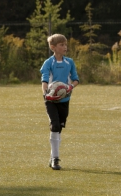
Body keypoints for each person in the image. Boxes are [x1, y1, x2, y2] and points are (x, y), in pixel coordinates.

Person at [40, 34, 79, 170]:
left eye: (65, 44)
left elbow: (76, 79)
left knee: (59, 128)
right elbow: (44, 80)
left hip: (65, 100)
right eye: (61, 45)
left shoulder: (70, 62)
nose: (65, 47)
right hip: (50, 100)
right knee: (55, 126)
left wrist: (70, 87)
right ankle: (55, 160)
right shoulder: (48, 63)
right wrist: (46, 94)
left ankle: (52, 156)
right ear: (53, 47)